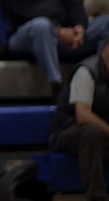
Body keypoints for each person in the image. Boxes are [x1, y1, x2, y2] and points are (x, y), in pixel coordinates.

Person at [49, 36, 109, 200]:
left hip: (101, 133)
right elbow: (82, 115)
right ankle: (96, 196)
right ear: (104, 50)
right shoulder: (87, 71)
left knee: (96, 132)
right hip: (67, 131)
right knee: (91, 132)